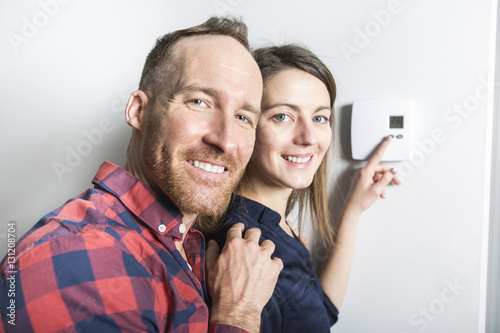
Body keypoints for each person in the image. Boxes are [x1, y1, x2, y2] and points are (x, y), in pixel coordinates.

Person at [0, 17, 283, 333]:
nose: (226, 140)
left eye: (244, 117)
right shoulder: (78, 259)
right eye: (200, 102)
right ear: (138, 111)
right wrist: (237, 315)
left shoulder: (185, 244)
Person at [204, 44, 401, 332]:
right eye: (282, 116)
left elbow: (320, 313)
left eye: (320, 117)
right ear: (247, 124)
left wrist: (353, 209)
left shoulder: (275, 225)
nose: (309, 137)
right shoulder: (247, 248)